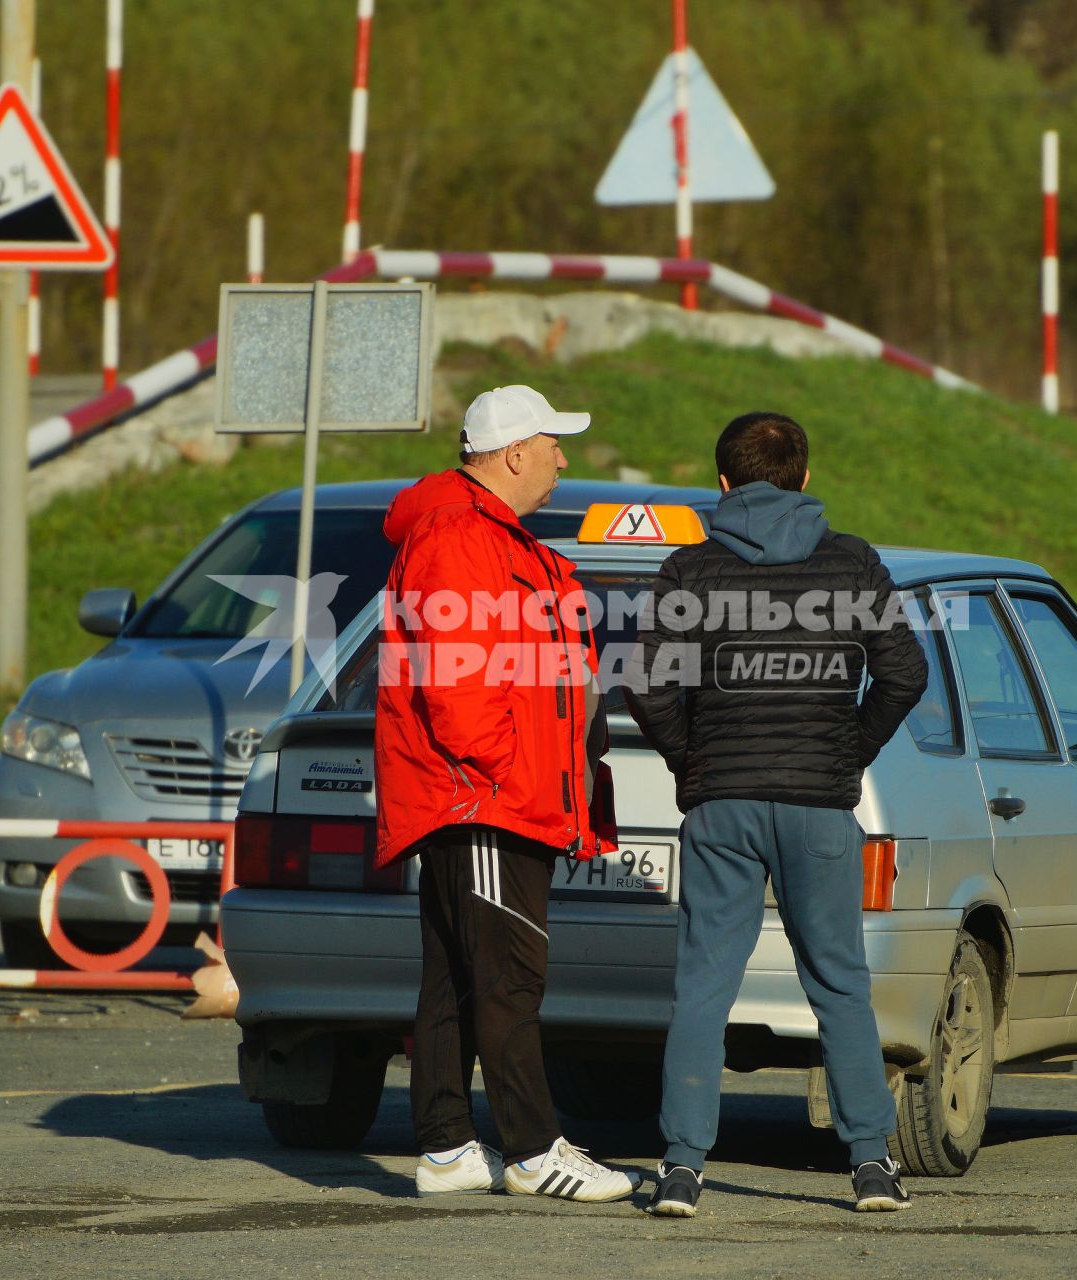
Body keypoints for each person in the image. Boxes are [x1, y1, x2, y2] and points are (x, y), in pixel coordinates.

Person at [626, 411, 928, 1217]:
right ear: (805, 475)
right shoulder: (854, 564)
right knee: (838, 984)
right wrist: (847, 755)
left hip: (721, 802)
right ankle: (870, 1164)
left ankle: (683, 1168)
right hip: (818, 805)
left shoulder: (688, 572)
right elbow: (905, 676)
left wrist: (693, 762)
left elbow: (646, 684)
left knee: (703, 988)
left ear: (723, 483)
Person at [374, 384, 634, 1203]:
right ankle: (530, 1149)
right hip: (485, 796)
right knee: (509, 975)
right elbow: (459, 683)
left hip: (495, 793)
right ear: (515, 451)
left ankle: (449, 1146)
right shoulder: (460, 535)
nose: (563, 457)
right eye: (554, 443)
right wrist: (505, 766)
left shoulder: (494, 535)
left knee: (458, 974)